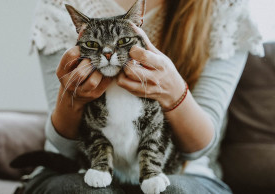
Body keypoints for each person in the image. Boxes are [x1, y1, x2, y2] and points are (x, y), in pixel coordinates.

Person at [23, 0, 264, 193]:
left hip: (184, 170)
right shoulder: (58, 7)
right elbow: (65, 148)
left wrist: (174, 93)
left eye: (123, 41)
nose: (107, 53)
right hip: (80, 164)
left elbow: (198, 149)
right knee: (86, 191)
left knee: (172, 191)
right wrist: (71, 99)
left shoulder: (224, 8)